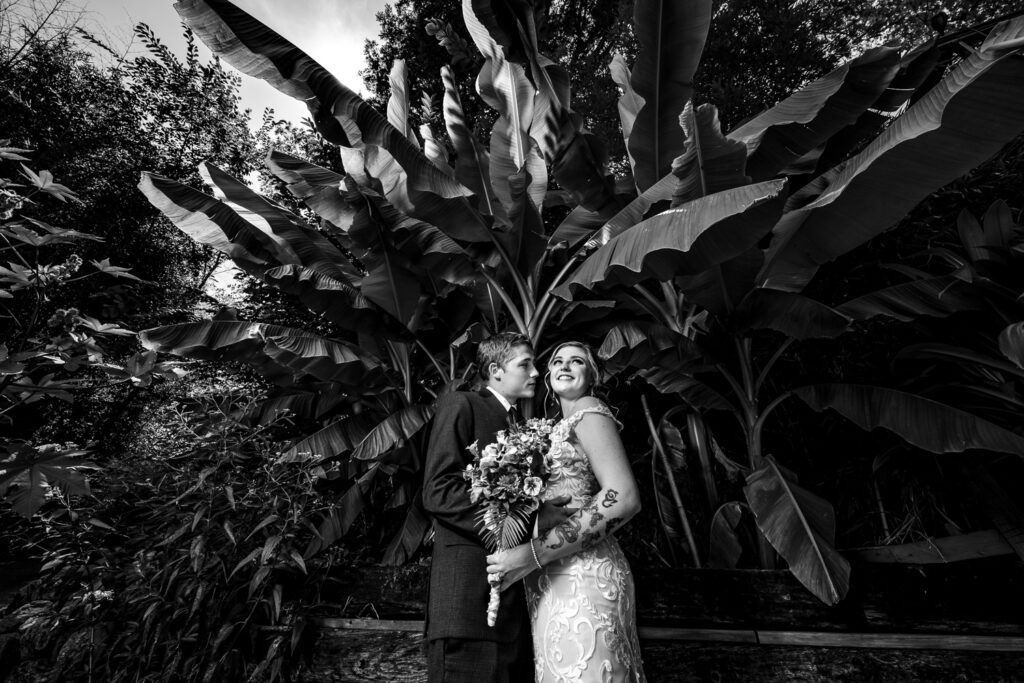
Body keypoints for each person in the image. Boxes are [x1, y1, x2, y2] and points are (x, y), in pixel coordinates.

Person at [486, 340, 646, 683]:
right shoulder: (554, 426)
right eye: (558, 361)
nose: (565, 366)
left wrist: (534, 553)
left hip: (583, 571)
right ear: (547, 376)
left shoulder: (590, 411)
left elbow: (624, 497)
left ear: (592, 376)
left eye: (577, 361)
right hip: (551, 575)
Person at [422, 332, 572, 683]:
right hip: (466, 607)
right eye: (525, 364)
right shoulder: (462, 404)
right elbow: (438, 492)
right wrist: (534, 518)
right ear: (496, 370)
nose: (536, 372)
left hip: (513, 613)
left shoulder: (520, 427)